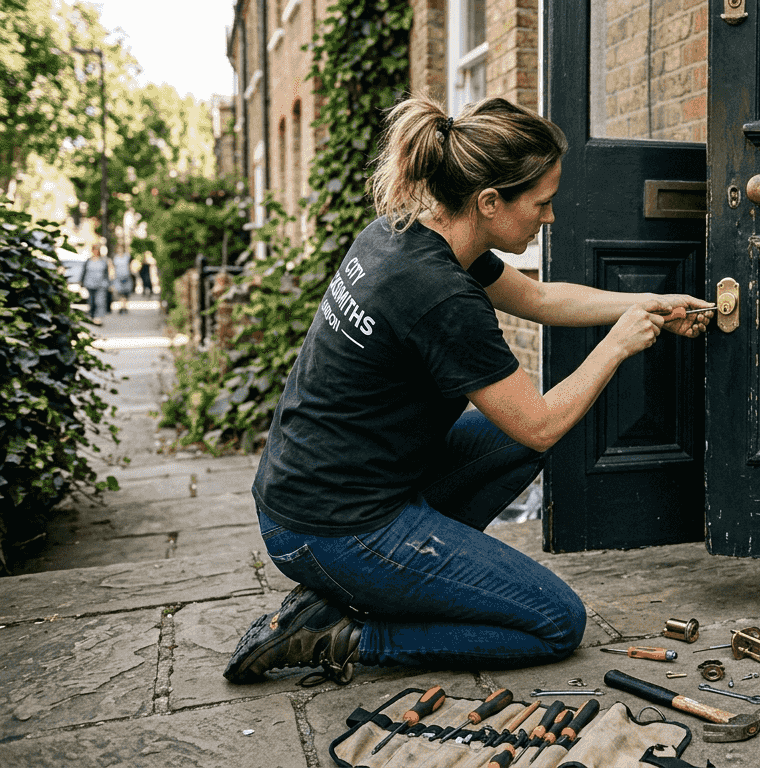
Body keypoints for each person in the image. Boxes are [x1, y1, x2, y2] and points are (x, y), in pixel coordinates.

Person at [223, 95, 712, 687]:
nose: (549, 219)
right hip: (330, 527)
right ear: (488, 202)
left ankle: (413, 575)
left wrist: (647, 302)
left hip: (311, 495)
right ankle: (344, 634)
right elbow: (540, 422)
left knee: (513, 442)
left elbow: (538, 298)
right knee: (557, 622)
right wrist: (616, 344)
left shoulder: (405, 234)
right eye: (542, 203)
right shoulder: (440, 296)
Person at [80, 251, 110, 326]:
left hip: (100, 284)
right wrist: (81, 282)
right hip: (89, 284)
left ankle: (98, 318)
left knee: (99, 301)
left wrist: (107, 283)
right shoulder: (88, 261)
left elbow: (106, 273)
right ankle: (92, 316)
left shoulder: (103, 261)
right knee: (91, 301)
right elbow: (84, 271)